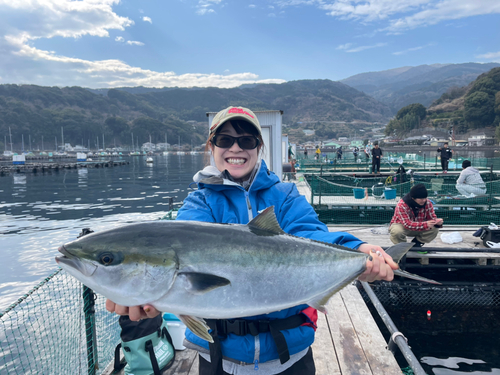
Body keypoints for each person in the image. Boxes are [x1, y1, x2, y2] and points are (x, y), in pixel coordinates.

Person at [106, 106, 398, 375]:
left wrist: (356, 250)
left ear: (259, 147)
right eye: (224, 140)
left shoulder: (284, 195)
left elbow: (311, 234)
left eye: (246, 141)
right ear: (212, 147)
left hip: (290, 357)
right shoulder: (199, 203)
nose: (235, 148)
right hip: (220, 358)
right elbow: (186, 253)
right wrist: (147, 295)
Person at [389, 183, 443, 248]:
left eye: (425, 198)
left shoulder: (428, 203)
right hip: (402, 225)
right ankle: (401, 247)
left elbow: (432, 218)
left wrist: (437, 222)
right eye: (421, 199)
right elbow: (407, 224)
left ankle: (416, 244)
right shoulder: (402, 204)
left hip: (419, 226)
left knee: (434, 229)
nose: (424, 200)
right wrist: (426, 224)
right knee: (396, 232)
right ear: (413, 198)